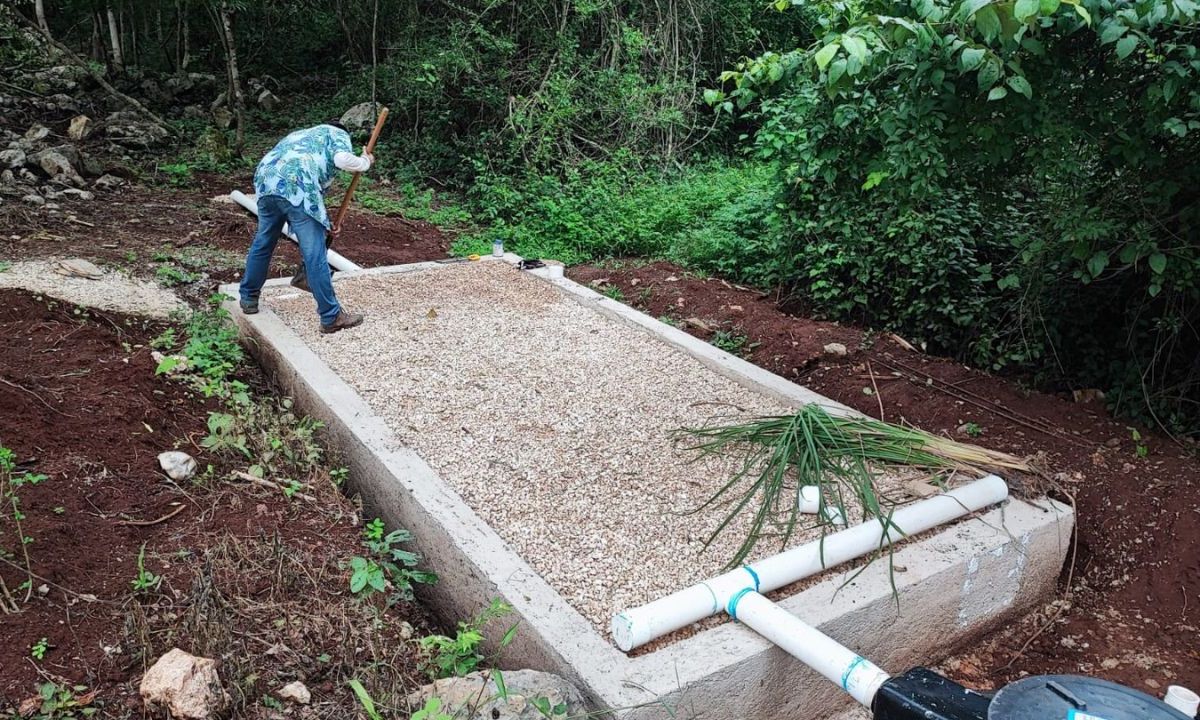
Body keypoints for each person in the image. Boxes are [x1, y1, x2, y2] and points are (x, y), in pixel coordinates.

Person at [238, 120, 373, 334]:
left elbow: (309, 195)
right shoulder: (336, 133)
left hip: (266, 179)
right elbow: (342, 159)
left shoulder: (300, 135)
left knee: (263, 242)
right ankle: (331, 316)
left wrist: (325, 223)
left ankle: (248, 298)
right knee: (315, 254)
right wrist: (365, 161)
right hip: (297, 183)